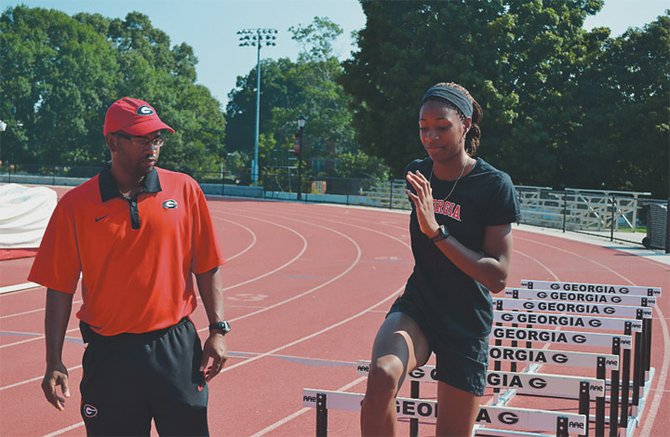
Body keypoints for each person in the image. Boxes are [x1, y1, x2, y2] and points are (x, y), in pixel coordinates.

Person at [29, 97, 230, 436]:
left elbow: (207, 265)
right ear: (112, 142)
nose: (152, 147)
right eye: (141, 139)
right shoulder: (75, 206)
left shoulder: (185, 190)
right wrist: (54, 361)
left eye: (157, 139)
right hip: (110, 356)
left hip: (176, 349)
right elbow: (60, 287)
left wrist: (217, 329)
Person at [360, 82, 520, 436]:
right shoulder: (418, 175)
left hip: (466, 320)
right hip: (421, 304)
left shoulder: (494, 185)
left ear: (464, 124)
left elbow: (497, 278)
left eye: (442, 126)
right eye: (423, 127)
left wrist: (437, 231)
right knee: (382, 375)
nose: (431, 136)